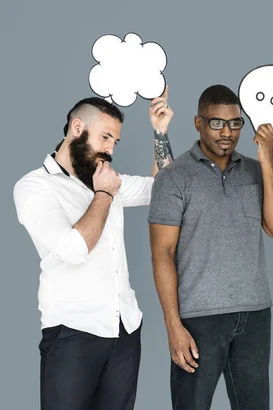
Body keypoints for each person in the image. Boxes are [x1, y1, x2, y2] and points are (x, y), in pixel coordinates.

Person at [13, 91, 175, 410]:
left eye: (115, 141)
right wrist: (104, 194)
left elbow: (166, 190)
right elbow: (73, 249)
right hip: (73, 331)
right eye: (105, 137)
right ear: (77, 128)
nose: (110, 149)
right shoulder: (35, 187)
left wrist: (160, 131)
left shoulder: (105, 180)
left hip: (124, 328)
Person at [148, 84, 273, 410]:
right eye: (216, 123)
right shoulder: (174, 177)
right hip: (199, 319)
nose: (227, 132)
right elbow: (162, 254)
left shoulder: (256, 171)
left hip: (254, 314)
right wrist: (173, 325)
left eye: (235, 123)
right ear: (199, 124)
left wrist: (267, 159)